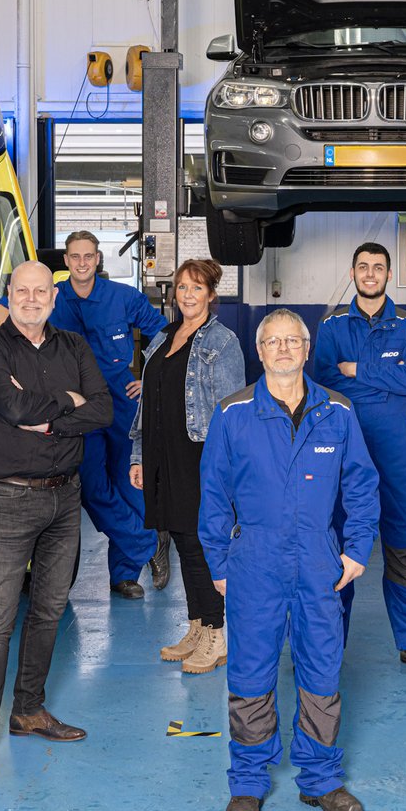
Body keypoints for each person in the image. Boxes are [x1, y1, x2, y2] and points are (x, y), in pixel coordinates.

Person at [199, 309, 380, 811]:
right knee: (251, 671)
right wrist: (219, 561)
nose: (283, 349)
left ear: (306, 349)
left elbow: (362, 484)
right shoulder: (233, 413)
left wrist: (356, 549)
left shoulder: (337, 411)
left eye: (292, 341)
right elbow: (213, 495)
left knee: (321, 668)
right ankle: (248, 781)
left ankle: (320, 778)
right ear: (260, 352)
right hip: (254, 560)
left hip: (319, 559)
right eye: (272, 341)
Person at [0, 261, 113, 784]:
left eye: (40, 290)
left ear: (54, 296)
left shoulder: (73, 346)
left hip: (65, 498)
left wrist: (47, 418)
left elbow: (103, 410)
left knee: (48, 612)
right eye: (22, 290)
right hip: (9, 497)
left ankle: (28, 710)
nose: (31, 298)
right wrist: (67, 402)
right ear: (9, 294)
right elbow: (11, 405)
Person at [0, 230, 168, 599]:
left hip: (121, 399)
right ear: (66, 261)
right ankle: (147, 543)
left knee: (130, 485)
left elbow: (165, 335)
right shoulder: (52, 296)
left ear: (98, 259)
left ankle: (124, 575)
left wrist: (151, 379)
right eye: (75, 257)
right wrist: (11, 315)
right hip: (75, 403)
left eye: (88, 256)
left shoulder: (123, 297)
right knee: (93, 487)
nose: (82, 263)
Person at [311, 242, 406, 674]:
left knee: (402, 544)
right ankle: (327, 645)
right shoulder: (332, 325)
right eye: (363, 266)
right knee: (336, 544)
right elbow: (325, 383)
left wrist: (357, 370)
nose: (370, 273)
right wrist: (387, 379)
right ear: (353, 272)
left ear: (389, 275)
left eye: (378, 267)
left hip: (395, 449)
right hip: (344, 445)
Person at [129, 258, 245, 673]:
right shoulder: (163, 337)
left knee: (201, 545)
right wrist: (140, 456)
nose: (188, 295)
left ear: (211, 295)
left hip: (200, 456)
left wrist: (227, 470)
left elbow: (232, 411)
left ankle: (216, 632)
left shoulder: (223, 341)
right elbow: (148, 403)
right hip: (163, 454)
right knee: (181, 540)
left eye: (197, 288)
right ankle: (197, 626)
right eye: (182, 287)